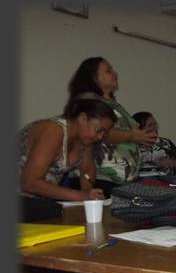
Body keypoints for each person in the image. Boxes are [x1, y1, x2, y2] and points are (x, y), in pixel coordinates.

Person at [67, 57, 157, 191]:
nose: (115, 73)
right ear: (94, 78)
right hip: (98, 179)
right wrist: (132, 136)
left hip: (118, 181)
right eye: (108, 71)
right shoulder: (88, 100)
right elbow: (95, 133)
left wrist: (142, 137)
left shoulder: (114, 105)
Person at [18, 97, 116, 220]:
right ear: (83, 118)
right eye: (99, 130)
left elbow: (87, 168)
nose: (100, 137)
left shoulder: (85, 139)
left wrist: (89, 196)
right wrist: (80, 196)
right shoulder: (53, 131)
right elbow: (29, 182)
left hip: (37, 203)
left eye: (104, 133)